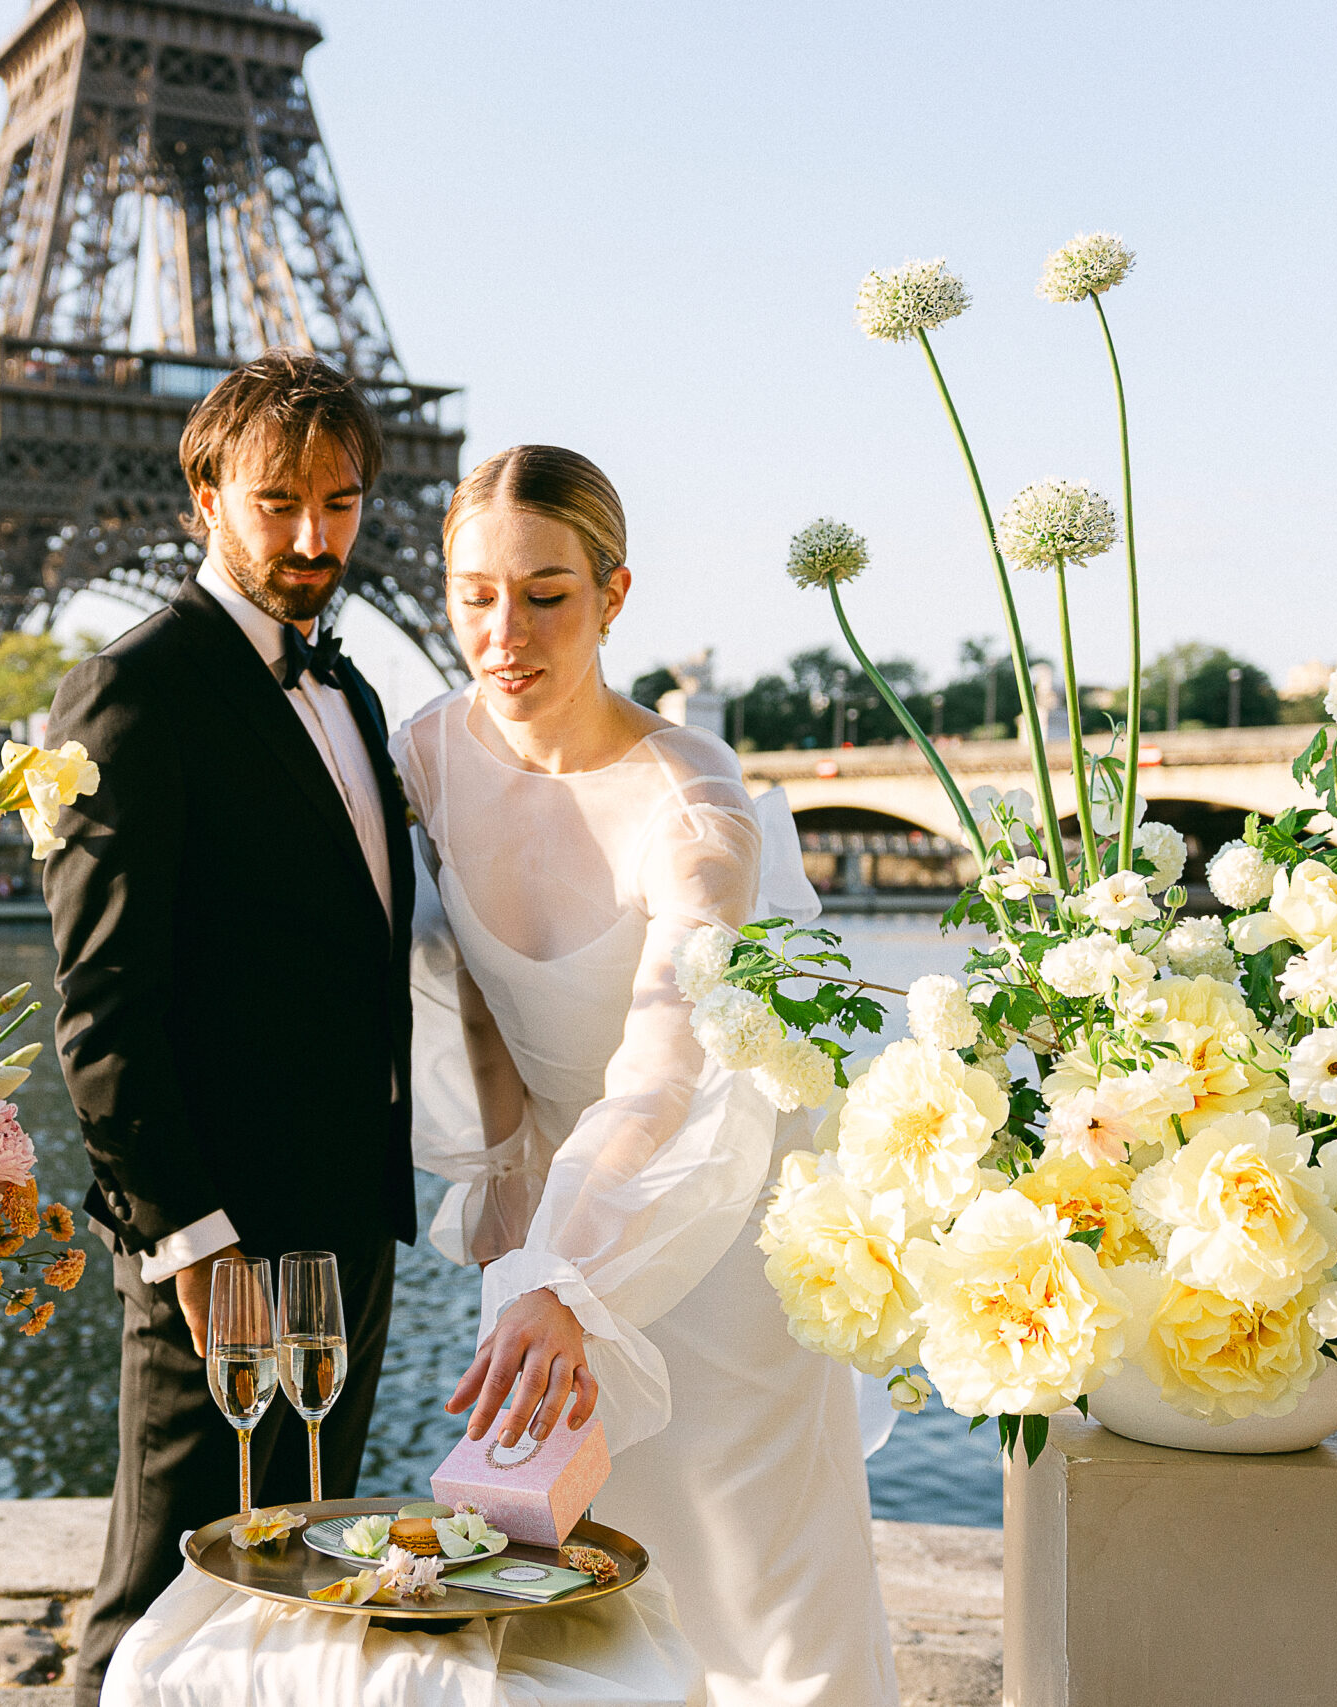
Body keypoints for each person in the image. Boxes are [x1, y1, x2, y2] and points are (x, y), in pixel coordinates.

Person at [397, 445, 900, 1706]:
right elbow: (456, 992)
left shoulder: (694, 807)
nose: (504, 635)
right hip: (548, 1220)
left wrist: (565, 1271)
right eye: (474, 596)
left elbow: (665, 1068)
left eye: (546, 596)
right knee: (567, 1595)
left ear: (614, 594)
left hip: (701, 1221)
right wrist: (511, 1201)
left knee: (759, 1597)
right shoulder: (428, 753)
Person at [41, 350, 416, 1706]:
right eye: (278, 503)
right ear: (206, 497)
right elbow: (102, 1009)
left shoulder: (353, 695)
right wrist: (191, 1242)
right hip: (223, 1238)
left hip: (351, 1225)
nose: (315, 536)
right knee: (166, 1595)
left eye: (341, 503)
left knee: (307, 1579)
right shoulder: (131, 691)